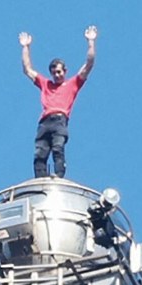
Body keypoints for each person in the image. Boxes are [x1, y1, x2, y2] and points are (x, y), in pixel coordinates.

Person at [19, 26, 98, 179]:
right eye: (54, 73)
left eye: (59, 72)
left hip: (60, 120)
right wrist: (25, 47)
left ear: (65, 71)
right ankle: (40, 180)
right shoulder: (45, 84)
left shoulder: (73, 84)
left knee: (58, 148)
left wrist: (91, 41)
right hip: (44, 122)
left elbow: (89, 64)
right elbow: (27, 69)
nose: (57, 75)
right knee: (40, 153)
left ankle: (59, 175)